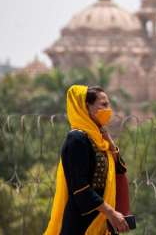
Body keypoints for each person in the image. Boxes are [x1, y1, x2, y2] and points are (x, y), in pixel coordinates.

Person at [45, 85, 130, 234]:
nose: (108, 109)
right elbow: (80, 188)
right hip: (81, 223)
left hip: (102, 220)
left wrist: (110, 143)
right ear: (87, 107)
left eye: (108, 105)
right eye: (103, 105)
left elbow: (120, 169)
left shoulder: (100, 140)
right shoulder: (77, 139)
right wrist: (110, 212)